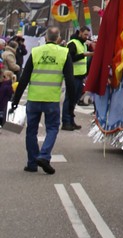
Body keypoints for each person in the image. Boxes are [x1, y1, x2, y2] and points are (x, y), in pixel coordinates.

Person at [8, 25, 76, 174]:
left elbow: (24, 78)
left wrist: (15, 101)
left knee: (31, 131)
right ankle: (44, 156)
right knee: (52, 128)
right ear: (58, 38)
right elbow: (70, 81)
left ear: (45, 38)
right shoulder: (64, 53)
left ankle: (32, 164)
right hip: (51, 99)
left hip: (34, 98)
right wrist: (71, 104)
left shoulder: (36, 52)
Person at [62, 26, 91, 130]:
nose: (86, 37)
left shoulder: (83, 44)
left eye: (88, 35)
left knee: (74, 100)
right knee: (69, 99)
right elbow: (70, 59)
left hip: (80, 76)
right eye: (85, 34)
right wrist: (84, 55)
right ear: (80, 33)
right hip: (73, 76)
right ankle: (66, 122)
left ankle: (71, 120)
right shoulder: (73, 43)